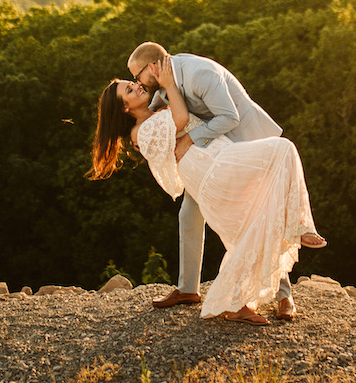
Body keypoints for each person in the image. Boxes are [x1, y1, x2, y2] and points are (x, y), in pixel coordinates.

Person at [90, 57, 325, 325]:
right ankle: (298, 225)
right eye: (130, 90)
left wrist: (167, 86)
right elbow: (181, 118)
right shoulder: (141, 132)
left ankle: (240, 304)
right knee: (282, 150)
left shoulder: (157, 108)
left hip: (220, 156)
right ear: (124, 108)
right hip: (212, 169)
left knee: (247, 230)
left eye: (133, 82)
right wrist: (168, 83)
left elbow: (177, 113)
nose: (137, 86)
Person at [128, 42, 301, 319]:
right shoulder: (162, 85)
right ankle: (188, 288)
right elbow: (152, 114)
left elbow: (228, 118)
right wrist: (140, 137)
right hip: (211, 154)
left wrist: (189, 138)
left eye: (138, 76)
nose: (138, 83)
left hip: (244, 140)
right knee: (189, 214)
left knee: (257, 213)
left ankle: (284, 296)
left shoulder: (199, 73)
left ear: (152, 67)